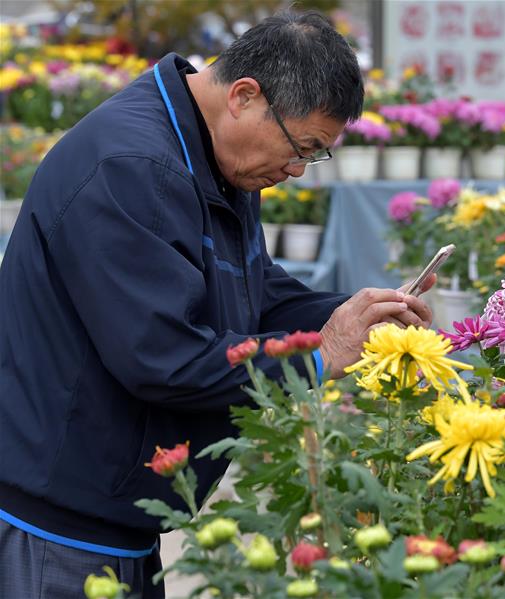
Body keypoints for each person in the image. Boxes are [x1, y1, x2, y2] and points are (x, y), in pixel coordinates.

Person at [0, 11, 432, 598]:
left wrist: (360, 315)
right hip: (57, 525)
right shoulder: (133, 168)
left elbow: (256, 290)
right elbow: (164, 357)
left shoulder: (213, 150)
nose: (298, 169)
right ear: (245, 96)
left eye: (316, 154)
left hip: (120, 516)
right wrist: (318, 357)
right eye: (301, 146)